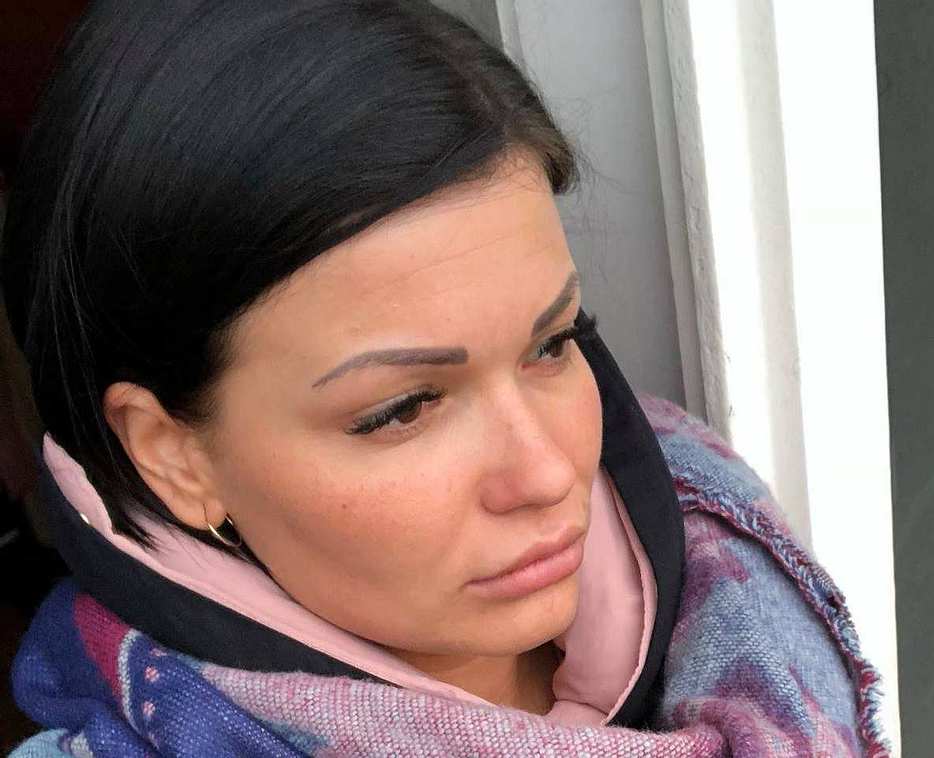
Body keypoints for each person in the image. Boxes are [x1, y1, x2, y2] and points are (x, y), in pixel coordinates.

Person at [1, 1, 889, 755]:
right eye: (403, 408)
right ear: (172, 456)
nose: (549, 472)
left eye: (553, 342)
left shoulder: (718, 542)